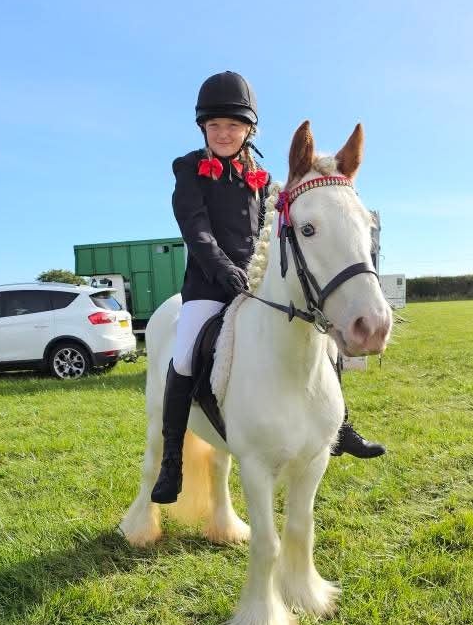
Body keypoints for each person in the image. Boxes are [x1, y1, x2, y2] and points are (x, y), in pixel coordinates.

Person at [151, 71, 384, 506]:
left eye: (233, 126)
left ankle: (342, 424)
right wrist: (223, 269)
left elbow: (271, 232)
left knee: (320, 336)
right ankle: (171, 462)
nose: (224, 133)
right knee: (183, 356)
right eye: (215, 125)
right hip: (209, 285)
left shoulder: (261, 177)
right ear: (203, 128)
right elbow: (196, 230)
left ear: (248, 131)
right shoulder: (188, 169)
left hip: (257, 281)